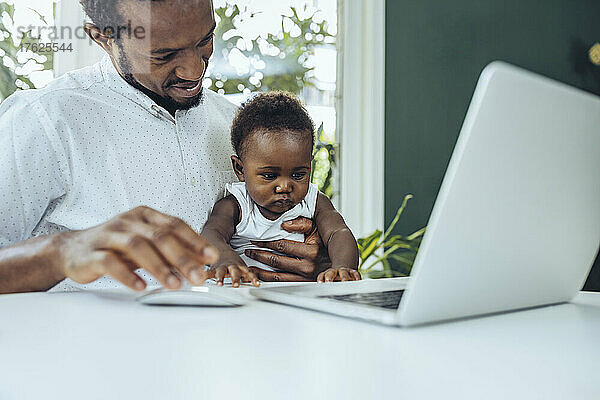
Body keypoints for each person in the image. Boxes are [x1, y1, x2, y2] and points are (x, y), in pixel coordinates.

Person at [0, 0, 331, 294]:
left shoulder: (237, 126)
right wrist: (61, 252)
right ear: (102, 37)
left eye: (205, 40)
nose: (195, 70)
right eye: (164, 54)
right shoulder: (42, 120)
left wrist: (314, 263)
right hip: (95, 358)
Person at [202, 92, 361, 287]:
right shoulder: (236, 204)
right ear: (240, 169)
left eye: (298, 175)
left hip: (298, 296)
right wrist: (225, 259)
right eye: (269, 176)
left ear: (310, 166)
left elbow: (339, 232)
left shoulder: (314, 201)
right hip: (244, 293)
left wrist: (342, 266)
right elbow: (212, 234)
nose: (284, 187)